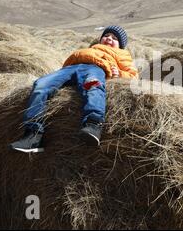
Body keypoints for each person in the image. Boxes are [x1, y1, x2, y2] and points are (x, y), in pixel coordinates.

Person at [9, 25, 138, 153]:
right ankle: (32, 134)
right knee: (40, 85)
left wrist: (120, 74)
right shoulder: (89, 49)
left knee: (92, 86)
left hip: (95, 68)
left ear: (120, 45)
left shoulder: (122, 54)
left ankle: (93, 124)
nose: (109, 38)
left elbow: (133, 75)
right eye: (106, 35)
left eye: (114, 38)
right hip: (69, 69)